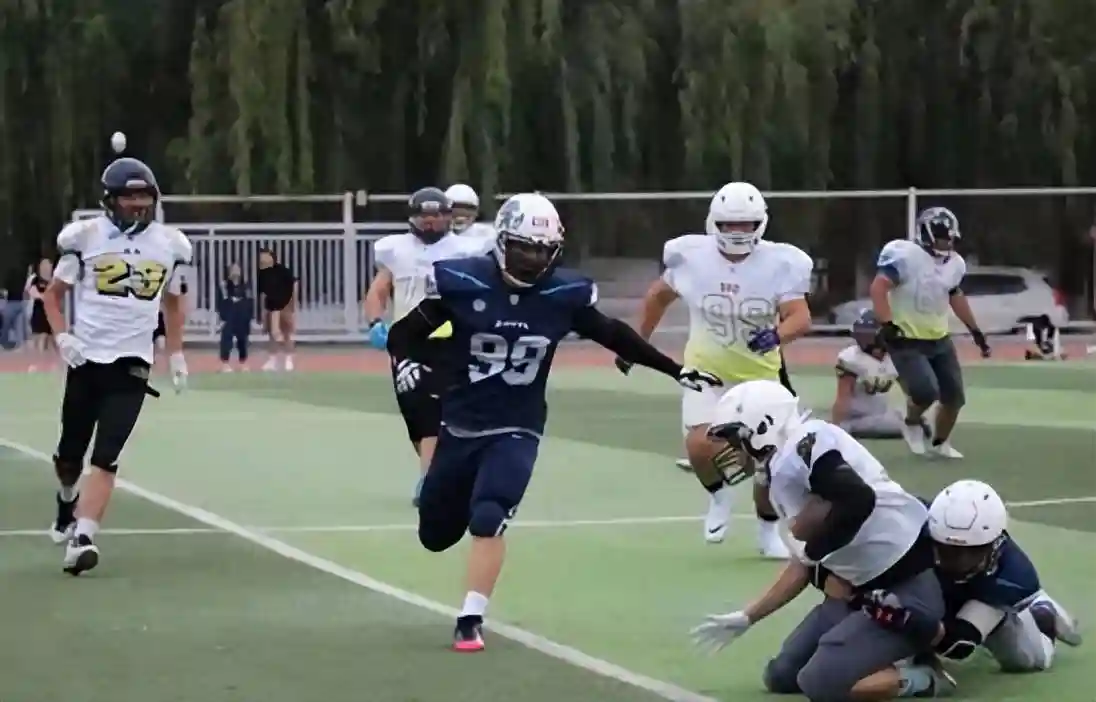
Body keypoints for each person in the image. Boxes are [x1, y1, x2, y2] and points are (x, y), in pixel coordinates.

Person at [385, 192, 721, 651]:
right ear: (502, 242)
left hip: (518, 424)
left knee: (489, 516)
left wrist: (675, 370)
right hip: (460, 424)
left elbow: (613, 334)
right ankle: (460, 507)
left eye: (543, 251)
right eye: (524, 249)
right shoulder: (462, 281)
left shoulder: (564, 294)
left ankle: (470, 618)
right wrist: (413, 364)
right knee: (435, 535)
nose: (533, 260)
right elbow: (405, 335)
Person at [690, 380, 953, 701]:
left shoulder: (803, 444)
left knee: (820, 684)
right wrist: (749, 616)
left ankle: (921, 676)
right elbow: (804, 561)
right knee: (782, 675)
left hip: (902, 591)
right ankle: (881, 652)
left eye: (735, 437)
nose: (732, 447)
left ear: (763, 426)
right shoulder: (787, 460)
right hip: (859, 591)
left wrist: (816, 551)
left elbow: (857, 499)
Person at [616, 181, 814, 556]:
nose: (737, 232)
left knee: (773, 462)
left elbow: (800, 317)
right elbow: (658, 296)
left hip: (761, 376)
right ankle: (720, 495)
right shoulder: (691, 257)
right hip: (706, 371)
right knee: (699, 446)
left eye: (746, 224)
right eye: (730, 224)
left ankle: (767, 532)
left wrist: (776, 335)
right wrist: (635, 343)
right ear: (714, 223)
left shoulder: (782, 262)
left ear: (760, 223)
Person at [41, 156, 191, 575]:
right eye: (129, 196)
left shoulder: (170, 244)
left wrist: (177, 353)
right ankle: (67, 500)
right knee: (70, 456)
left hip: (133, 363)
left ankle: (84, 538)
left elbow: (173, 302)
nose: (138, 204)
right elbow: (53, 296)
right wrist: (63, 337)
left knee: (106, 455)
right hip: (87, 359)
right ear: (111, 199)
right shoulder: (86, 237)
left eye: (144, 196)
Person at [363, 187, 493, 506]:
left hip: (450, 339)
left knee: (437, 412)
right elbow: (378, 290)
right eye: (425, 217)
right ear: (413, 219)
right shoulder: (395, 250)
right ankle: (437, 473)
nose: (432, 222)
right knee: (415, 414)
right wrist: (375, 322)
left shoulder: (464, 250)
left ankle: (433, 480)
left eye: (437, 216)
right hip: (408, 341)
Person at [870, 207, 990, 459]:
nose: (948, 243)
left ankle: (940, 442)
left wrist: (975, 330)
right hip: (905, 338)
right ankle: (911, 421)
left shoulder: (955, 263)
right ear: (926, 235)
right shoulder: (905, 255)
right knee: (925, 392)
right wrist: (886, 324)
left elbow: (955, 295)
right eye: (943, 238)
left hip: (939, 337)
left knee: (954, 397)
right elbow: (879, 287)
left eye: (950, 238)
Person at [925, 479, 1082, 672]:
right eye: (948, 551)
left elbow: (957, 643)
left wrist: (914, 625)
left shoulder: (1014, 576)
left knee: (1028, 660)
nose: (960, 562)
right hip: (934, 585)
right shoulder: (913, 524)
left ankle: (1043, 615)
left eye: (973, 552)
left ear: (995, 543)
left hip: (983, 596)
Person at [830, 309, 917, 439]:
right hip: (856, 417)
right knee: (900, 425)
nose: (863, 341)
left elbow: (910, 392)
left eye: (868, 337)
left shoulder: (896, 357)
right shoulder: (851, 358)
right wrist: (836, 428)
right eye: (861, 336)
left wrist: (916, 416)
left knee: (904, 417)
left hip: (880, 414)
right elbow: (843, 398)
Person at [257, 247, 297, 371]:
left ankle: (288, 359)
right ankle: (272, 360)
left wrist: (292, 306)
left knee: (286, 333)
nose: (263, 260)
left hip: (284, 306)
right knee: (272, 334)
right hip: (271, 308)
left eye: (265, 257)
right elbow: (263, 294)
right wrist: (264, 312)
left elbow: (293, 286)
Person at [217, 262, 252, 372]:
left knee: (242, 340)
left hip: (242, 317)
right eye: (233, 270)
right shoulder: (224, 286)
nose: (235, 272)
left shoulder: (245, 286)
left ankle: (243, 363)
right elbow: (221, 301)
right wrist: (222, 316)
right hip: (229, 317)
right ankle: (225, 364)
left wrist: (248, 316)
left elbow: (249, 301)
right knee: (226, 339)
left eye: (237, 270)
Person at [26, 258, 56, 371]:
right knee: (39, 338)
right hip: (38, 311)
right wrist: (43, 297)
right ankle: (38, 363)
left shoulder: (54, 279)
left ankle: (48, 363)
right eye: (43, 265)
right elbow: (32, 292)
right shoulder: (35, 279)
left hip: (50, 312)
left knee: (48, 340)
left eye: (47, 265)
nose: (45, 268)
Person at [1, 264, 29, 350]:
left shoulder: (8, 280)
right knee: (19, 327)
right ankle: (21, 345)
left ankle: (3, 343)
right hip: (21, 303)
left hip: (11, 303)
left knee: (5, 326)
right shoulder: (23, 279)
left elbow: (4, 292)